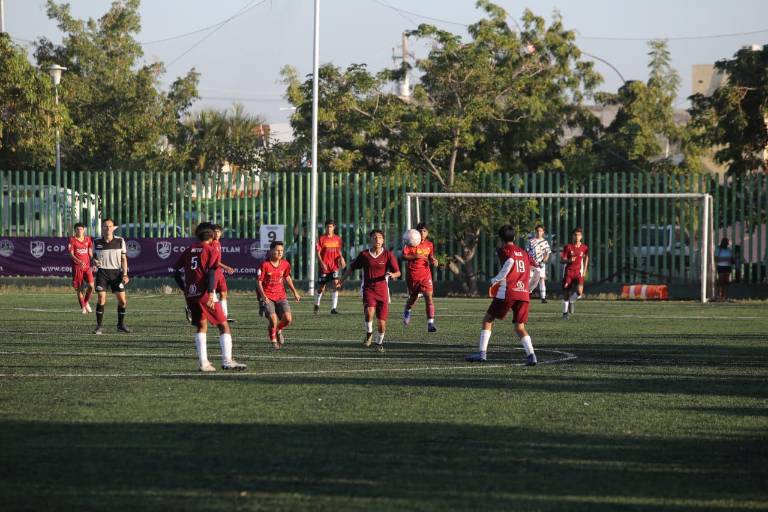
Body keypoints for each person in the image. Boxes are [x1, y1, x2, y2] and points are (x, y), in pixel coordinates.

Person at [173, 226, 246, 371]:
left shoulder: (189, 249)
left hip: (191, 294)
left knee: (202, 326)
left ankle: (204, 363)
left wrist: (184, 288)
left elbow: (176, 271)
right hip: (204, 293)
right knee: (223, 325)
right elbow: (212, 271)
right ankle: (227, 361)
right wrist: (212, 292)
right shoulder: (211, 250)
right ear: (211, 237)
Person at [465, 225, 538, 366]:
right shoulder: (524, 252)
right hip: (523, 294)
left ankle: (482, 354)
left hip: (508, 291)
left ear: (501, 239)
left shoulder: (503, 250)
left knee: (488, 319)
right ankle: (531, 355)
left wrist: (495, 279)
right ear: (515, 237)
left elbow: (510, 262)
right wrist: (529, 289)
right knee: (520, 327)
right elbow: (537, 270)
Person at [338, 229, 401, 353]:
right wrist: (342, 280)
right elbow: (352, 267)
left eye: (379, 237)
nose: (377, 239)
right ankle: (369, 333)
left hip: (382, 291)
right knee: (369, 312)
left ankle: (379, 343)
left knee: (382, 323)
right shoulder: (364, 255)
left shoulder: (388, 255)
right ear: (370, 240)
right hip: (368, 289)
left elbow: (398, 272)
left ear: (383, 240)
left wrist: (393, 274)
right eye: (374, 237)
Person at [256, 240, 301, 350]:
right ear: (271, 251)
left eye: (281, 250)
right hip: (268, 296)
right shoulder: (264, 265)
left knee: (288, 319)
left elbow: (287, 277)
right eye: (277, 250)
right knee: (273, 319)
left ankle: (277, 330)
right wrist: (263, 296)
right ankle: (273, 339)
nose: (280, 253)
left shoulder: (285, 264)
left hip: (281, 296)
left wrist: (295, 292)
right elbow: (258, 282)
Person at [92, 218, 131, 334]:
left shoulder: (120, 241)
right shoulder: (97, 242)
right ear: (102, 228)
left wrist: (125, 274)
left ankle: (120, 325)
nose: (107, 228)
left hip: (116, 274)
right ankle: (99, 326)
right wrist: (95, 261)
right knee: (101, 298)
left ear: (113, 228)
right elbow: (94, 257)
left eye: (109, 226)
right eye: (105, 226)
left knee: (123, 302)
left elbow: (123, 259)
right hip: (102, 273)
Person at [402, 222, 439, 332]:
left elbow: (431, 257)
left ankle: (430, 323)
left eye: (424, 231)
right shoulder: (410, 243)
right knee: (413, 299)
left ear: (427, 233)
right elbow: (403, 256)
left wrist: (434, 261)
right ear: (416, 232)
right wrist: (415, 256)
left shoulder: (429, 244)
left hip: (425, 276)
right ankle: (407, 309)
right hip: (413, 276)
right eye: (420, 231)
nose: (422, 233)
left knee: (429, 297)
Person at [314, 219, 345, 314]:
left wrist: (342, 258)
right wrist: (322, 263)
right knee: (321, 288)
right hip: (324, 267)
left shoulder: (337, 239)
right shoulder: (322, 238)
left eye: (331, 227)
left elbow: (338, 251)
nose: (329, 228)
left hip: (334, 266)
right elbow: (318, 253)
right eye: (327, 227)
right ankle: (317, 303)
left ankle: (333, 308)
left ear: (334, 227)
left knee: (336, 285)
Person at [561, 227, 589, 320]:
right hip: (569, 272)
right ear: (572, 236)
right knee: (566, 293)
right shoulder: (568, 247)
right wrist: (569, 260)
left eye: (579, 235)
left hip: (578, 272)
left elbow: (586, 258)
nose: (577, 237)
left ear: (581, 236)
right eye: (575, 235)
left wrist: (584, 270)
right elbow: (562, 260)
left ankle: (571, 301)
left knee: (579, 292)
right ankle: (565, 313)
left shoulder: (584, 247)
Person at [68, 222, 94, 314]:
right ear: (75, 230)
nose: (79, 231)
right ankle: (83, 307)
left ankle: (86, 302)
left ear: (84, 230)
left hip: (87, 267)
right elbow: (71, 254)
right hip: (77, 267)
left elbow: (90, 252)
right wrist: (79, 262)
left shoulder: (88, 239)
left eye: (81, 229)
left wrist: (94, 260)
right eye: (77, 229)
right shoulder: (72, 240)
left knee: (91, 286)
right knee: (80, 288)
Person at [212, 224, 236, 323]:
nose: (217, 233)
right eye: (215, 231)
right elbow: (214, 261)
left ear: (221, 233)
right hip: (212, 272)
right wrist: (226, 267)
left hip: (219, 273)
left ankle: (224, 316)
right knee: (212, 295)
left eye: (218, 231)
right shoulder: (212, 244)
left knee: (223, 293)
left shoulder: (218, 243)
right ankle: (193, 309)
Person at [526, 224, 552, 304]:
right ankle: (527, 294)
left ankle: (543, 297)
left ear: (543, 232)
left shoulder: (545, 242)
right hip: (531, 263)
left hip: (541, 264)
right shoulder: (531, 241)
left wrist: (543, 262)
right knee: (529, 278)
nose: (539, 232)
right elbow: (527, 252)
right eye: (537, 231)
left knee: (541, 279)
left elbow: (547, 253)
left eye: (540, 231)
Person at [715, 237, 736, 301]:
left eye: (727, 243)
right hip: (721, 266)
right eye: (726, 243)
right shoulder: (718, 249)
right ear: (723, 243)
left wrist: (733, 261)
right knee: (721, 282)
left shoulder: (729, 250)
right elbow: (715, 258)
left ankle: (724, 296)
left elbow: (732, 258)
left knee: (726, 282)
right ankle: (718, 295)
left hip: (728, 267)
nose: (727, 244)